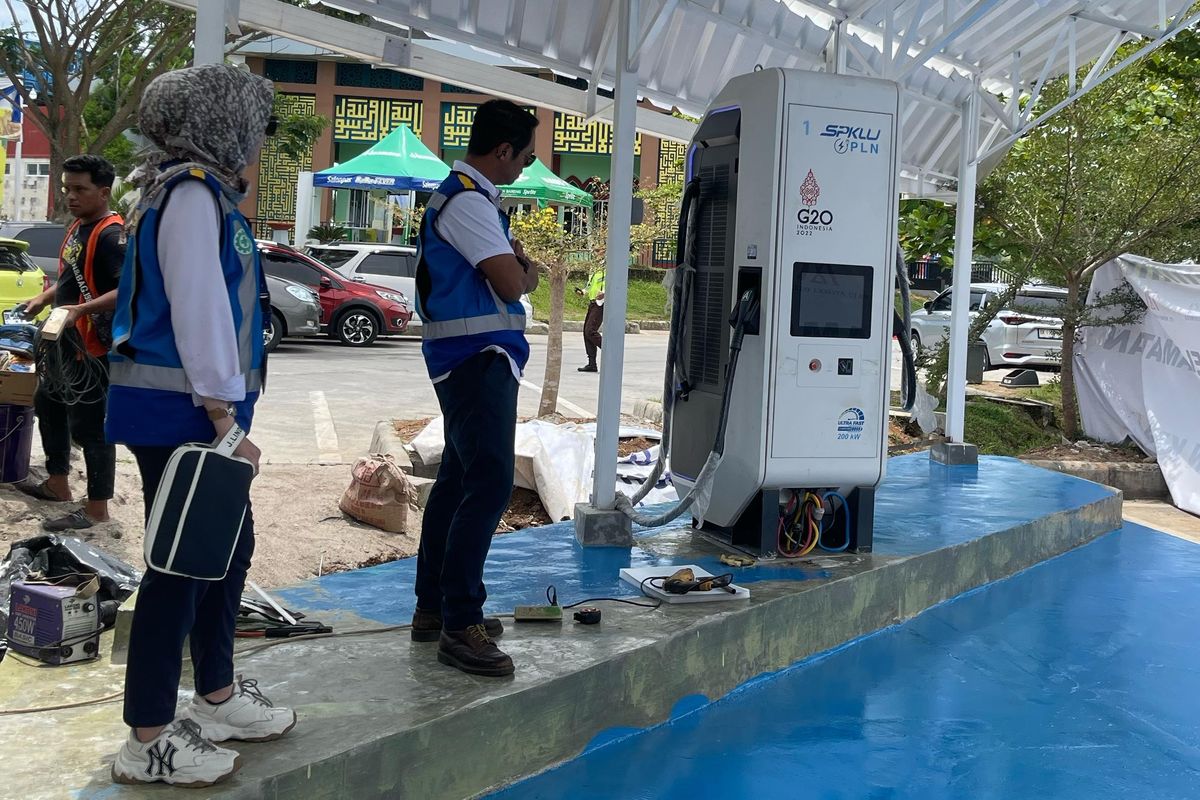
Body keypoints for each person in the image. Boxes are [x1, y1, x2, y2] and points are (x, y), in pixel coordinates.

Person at [106, 65, 294, 787]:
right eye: (252, 123)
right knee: (180, 567)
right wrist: (222, 417)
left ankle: (214, 693)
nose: (257, 139)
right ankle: (147, 737)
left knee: (225, 550)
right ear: (219, 122)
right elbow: (200, 310)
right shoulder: (188, 194)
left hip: (194, 412)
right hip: (183, 412)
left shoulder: (201, 192)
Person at [413, 99, 540, 677]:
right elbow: (512, 283)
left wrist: (517, 263)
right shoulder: (468, 201)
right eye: (525, 155)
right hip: (476, 357)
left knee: (460, 478)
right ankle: (460, 621)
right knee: (489, 481)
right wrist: (524, 268)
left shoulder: (469, 198)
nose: (525, 167)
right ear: (503, 150)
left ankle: (434, 608)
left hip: (470, 357)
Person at [17, 155, 123, 531]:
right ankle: (58, 483)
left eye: (80, 189)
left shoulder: (111, 236)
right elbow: (70, 280)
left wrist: (81, 311)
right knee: (48, 402)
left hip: (91, 347)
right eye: (67, 189)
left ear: (104, 192)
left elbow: (126, 291)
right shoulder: (79, 227)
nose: (71, 196)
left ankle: (97, 510)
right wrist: (44, 300)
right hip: (65, 337)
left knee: (91, 425)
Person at [576, 266, 605, 372]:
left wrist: (605, 293)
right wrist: (583, 292)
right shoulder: (595, 269)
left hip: (601, 304)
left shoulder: (608, 267)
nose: (596, 253)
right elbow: (590, 285)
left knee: (590, 331)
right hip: (593, 303)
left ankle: (610, 351)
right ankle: (592, 364)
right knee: (586, 332)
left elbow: (613, 283)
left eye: (599, 250)